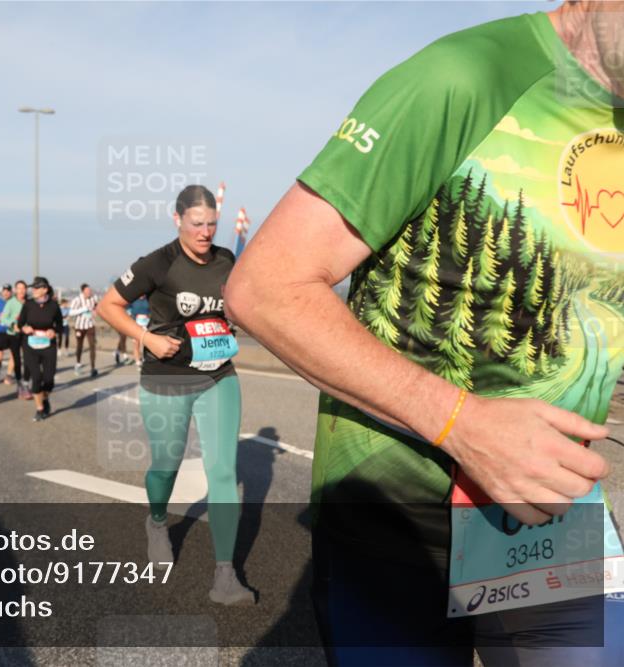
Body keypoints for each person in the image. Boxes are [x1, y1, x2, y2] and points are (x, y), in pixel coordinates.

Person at [225, 3, 623, 664]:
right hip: (394, 524)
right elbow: (266, 287)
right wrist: (466, 424)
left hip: (554, 518)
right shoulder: (462, 76)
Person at [96, 184, 252, 607]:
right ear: (178, 219)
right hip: (167, 380)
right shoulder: (158, 262)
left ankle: (225, 576)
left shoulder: (226, 259)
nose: (205, 232)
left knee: (223, 473)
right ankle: (158, 522)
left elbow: (233, 306)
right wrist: (145, 336)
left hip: (219, 376)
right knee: (165, 465)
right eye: (196, 223)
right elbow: (108, 306)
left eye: (212, 224)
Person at [17, 277, 64, 422]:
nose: (33, 290)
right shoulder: (28, 304)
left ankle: (45, 398)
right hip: (30, 345)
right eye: (33, 288)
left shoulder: (54, 306)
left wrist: (53, 330)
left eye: (36, 288)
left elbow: (60, 325)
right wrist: (24, 328)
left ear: (45, 289)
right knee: (36, 377)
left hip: (48, 345)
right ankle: (39, 409)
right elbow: (20, 324)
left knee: (49, 380)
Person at [0, 280, 32, 399]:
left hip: (26, 334)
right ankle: (19, 385)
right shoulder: (11, 303)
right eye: (19, 288)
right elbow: (3, 318)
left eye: (24, 288)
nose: (22, 290)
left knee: (29, 359)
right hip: (13, 334)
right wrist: (13, 324)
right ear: (15, 290)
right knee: (17, 360)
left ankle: (26, 383)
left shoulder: (29, 302)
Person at [69, 283, 99, 377]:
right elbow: (71, 312)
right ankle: (78, 364)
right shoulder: (77, 300)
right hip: (79, 326)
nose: (89, 292)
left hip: (90, 325)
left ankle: (93, 368)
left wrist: (95, 311)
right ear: (83, 291)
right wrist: (83, 309)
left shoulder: (94, 298)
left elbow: (96, 307)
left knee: (92, 346)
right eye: (87, 291)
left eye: (90, 290)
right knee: (80, 346)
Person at [130, 295, 151, 369]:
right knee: (136, 343)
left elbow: (151, 311)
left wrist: (148, 316)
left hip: (146, 324)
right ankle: (138, 361)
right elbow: (130, 311)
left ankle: (145, 359)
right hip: (136, 323)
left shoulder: (148, 300)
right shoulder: (134, 300)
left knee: (146, 344)